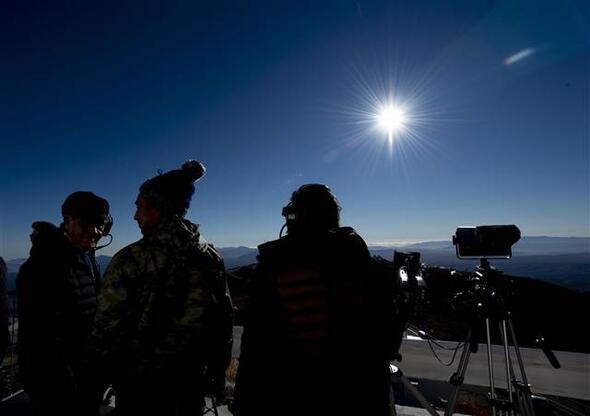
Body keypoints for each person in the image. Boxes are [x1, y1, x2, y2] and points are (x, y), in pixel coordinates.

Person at [233, 184, 393, 416]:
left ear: (295, 217)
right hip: (355, 398)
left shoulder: (277, 270)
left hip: (291, 395)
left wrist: (243, 405)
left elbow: (257, 348)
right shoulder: (368, 269)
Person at [89, 160, 233, 416]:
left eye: (140, 207)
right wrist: (217, 372)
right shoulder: (211, 256)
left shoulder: (131, 259)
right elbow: (223, 321)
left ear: (158, 209)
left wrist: (100, 378)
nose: (135, 215)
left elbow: (105, 327)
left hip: (140, 387)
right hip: (191, 383)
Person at [16, 191, 111, 415]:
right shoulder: (40, 267)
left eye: (101, 224)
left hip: (85, 376)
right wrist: (69, 386)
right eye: (88, 223)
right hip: (57, 384)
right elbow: (40, 340)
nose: (96, 231)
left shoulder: (86, 257)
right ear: (67, 221)